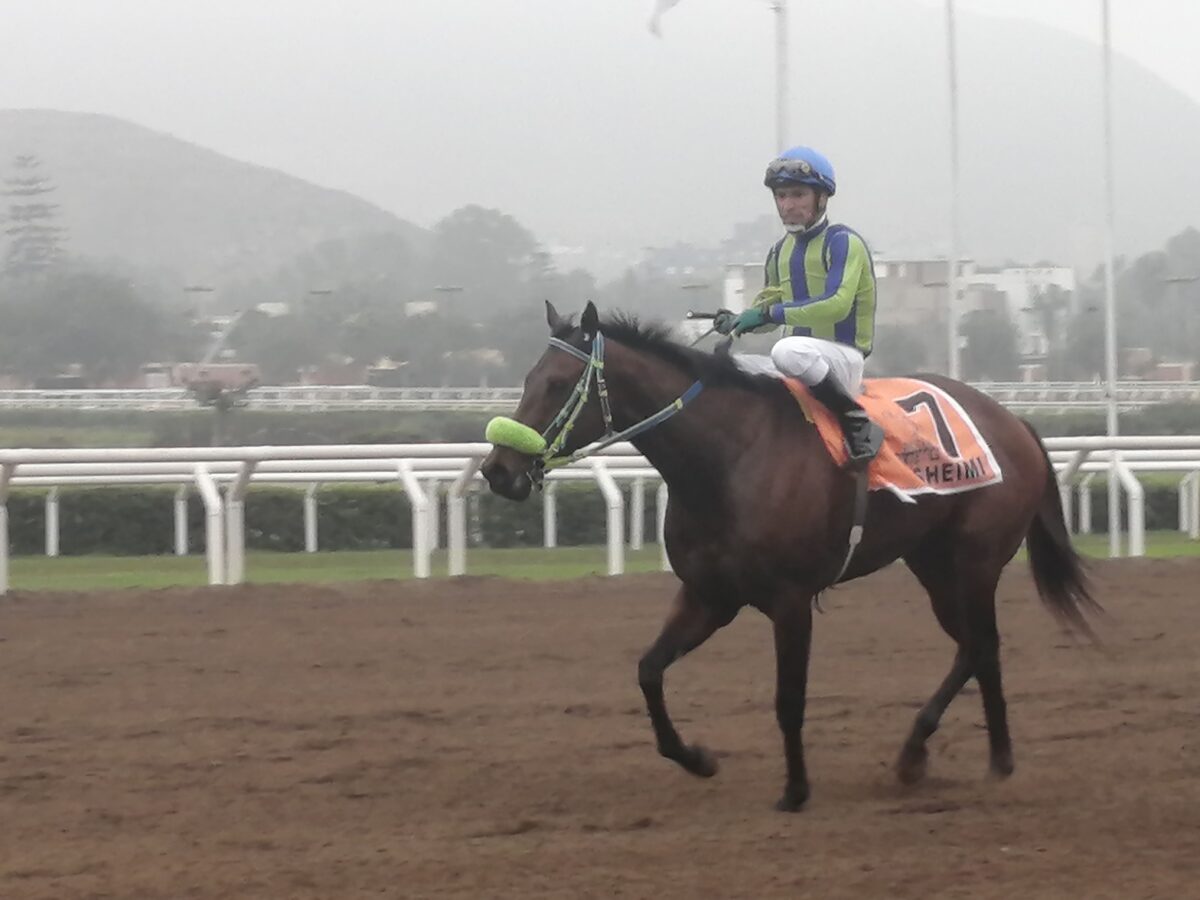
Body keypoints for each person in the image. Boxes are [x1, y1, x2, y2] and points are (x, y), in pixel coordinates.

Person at [714, 145, 882, 467]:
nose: (788, 205)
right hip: (799, 361)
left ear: (822, 197)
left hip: (842, 359)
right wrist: (738, 320)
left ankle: (854, 417)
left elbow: (836, 305)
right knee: (725, 367)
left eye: (798, 195)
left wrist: (769, 313)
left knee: (786, 350)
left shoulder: (843, 242)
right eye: (781, 196)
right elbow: (768, 314)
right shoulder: (779, 252)